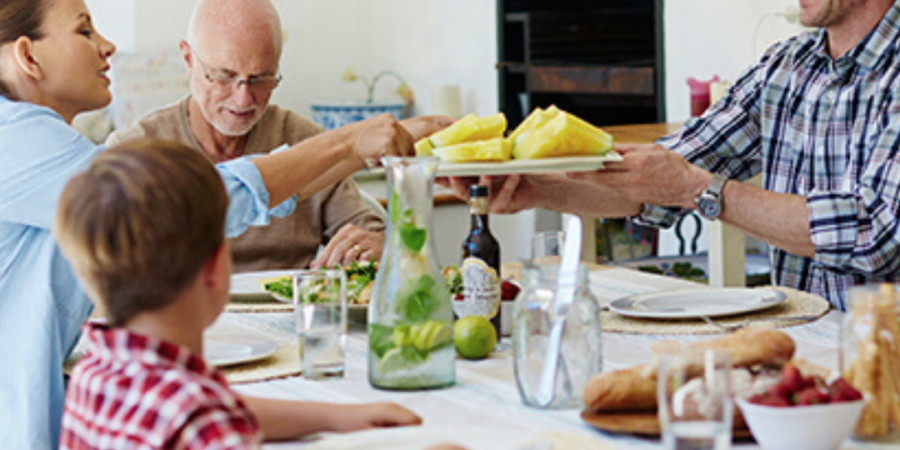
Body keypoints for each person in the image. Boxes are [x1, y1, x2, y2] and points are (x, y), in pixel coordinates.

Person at [0, 0, 446, 447]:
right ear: (27, 55)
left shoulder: (103, 370)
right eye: (84, 29)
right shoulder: (18, 146)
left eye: (260, 78)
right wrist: (350, 141)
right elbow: (184, 203)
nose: (108, 45)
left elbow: (188, 406)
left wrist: (339, 416)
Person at [449, 0, 900, 310]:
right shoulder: (787, 67)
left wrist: (699, 189)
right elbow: (658, 179)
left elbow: (875, 233)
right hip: (801, 346)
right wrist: (534, 186)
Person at [54, 140, 422, 449]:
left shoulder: (98, 370)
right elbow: (205, 415)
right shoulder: (203, 425)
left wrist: (337, 416)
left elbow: (209, 404)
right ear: (215, 267)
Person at [107, 0, 394, 271]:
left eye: (261, 78)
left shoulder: (306, 142)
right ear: (188, 60)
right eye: (224, 76)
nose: (244, 100)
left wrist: (376, 245)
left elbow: (367, 228)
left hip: (290, 318)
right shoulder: (132, 151)